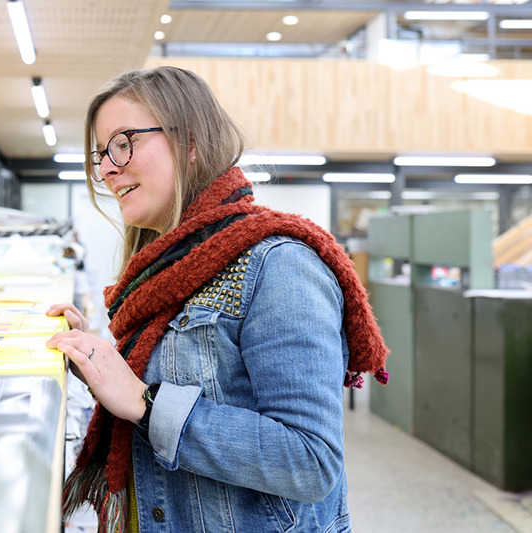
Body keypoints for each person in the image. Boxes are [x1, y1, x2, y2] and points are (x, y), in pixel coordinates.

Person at [47, 66, 389, 533]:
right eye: (102, 152)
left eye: (124, 143)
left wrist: (147, 405)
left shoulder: (279, 265)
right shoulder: (166, 268)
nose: (107, 168)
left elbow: (310, 460)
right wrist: (96, 362)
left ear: (190, 143)